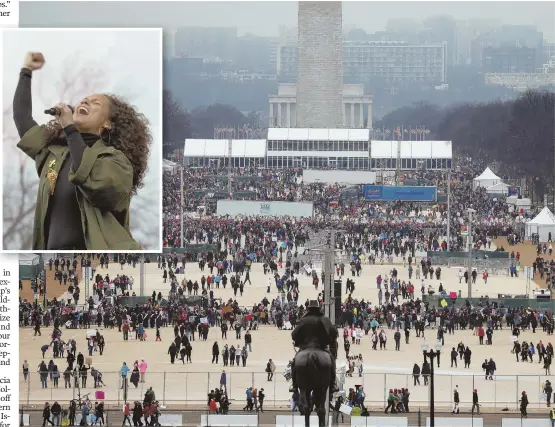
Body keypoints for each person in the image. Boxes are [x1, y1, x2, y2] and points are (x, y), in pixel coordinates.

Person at [13, 51, 151, 250]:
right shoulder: (56, 153)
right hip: (54, 261)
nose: (85, 102)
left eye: (95, 103)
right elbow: (22, 119)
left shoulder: (116, 161)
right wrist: (26, 71)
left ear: (108, 125)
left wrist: (70, 128)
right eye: (84, 100)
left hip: (100, 264)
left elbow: (90, 176)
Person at [288, 300, 339, 394]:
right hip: (321, 347)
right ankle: (333, 384)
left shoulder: (303, 320)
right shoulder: (324, 319)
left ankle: (294, 385)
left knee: (294, 363)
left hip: (305, 347)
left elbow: (294, 334)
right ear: (318, 309)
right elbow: (334, 333)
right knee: (331, 361)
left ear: (309, 309)